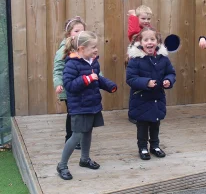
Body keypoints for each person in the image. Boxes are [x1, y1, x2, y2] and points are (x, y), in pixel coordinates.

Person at [56, 31, 117, 180]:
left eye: (96, 46)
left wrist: (109, 85)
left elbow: (97, 79)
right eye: (93, 47)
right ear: (82, 49)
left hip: (92, 104)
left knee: (88, 132)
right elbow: (69, 85)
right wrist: (86, 79)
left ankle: (84, 159)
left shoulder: (93, 61)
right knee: (76, 135)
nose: (96, 50)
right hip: (78, 107)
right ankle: (62, 165)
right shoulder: (71, 64)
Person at [126, 27, 176, 160]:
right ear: (140, 42)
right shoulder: (135, 60)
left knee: (155, 123)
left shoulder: (163, 59)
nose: (149, 42)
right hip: (141, 99)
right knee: (142, 125)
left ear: (157, 41)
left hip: (157, 98)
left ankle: (155, 145)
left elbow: (171, 73)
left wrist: (168, 81)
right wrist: (146, 82)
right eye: (146, 39)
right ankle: (142, 148)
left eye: (152, 39)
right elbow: (131, 79)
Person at [53, 16, 86, 149]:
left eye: (82, 31)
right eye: (76, 31)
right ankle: (70, 137)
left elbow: (92, 66)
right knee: (73, 113)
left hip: (83, 87)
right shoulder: (64, 50)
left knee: (83, 113)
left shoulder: (85, 48)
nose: (80, 34)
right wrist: (58, 84)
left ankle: (81, 136)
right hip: (69, 88)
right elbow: (58, 69)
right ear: (69, 34)